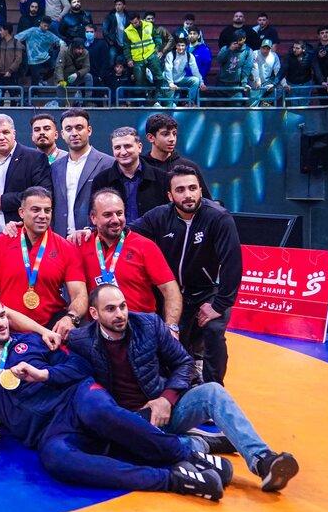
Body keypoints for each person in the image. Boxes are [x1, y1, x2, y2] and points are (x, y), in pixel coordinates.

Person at [0, 296, 229, 500]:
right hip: (48, 431)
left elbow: (80, 367)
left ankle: (187, 454)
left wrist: (44, 375)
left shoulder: (33, 341)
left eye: (3, 315)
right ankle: (174, 480)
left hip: (76, 398)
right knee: (56, 459)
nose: (1, 323)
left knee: (97, 411)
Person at [72, 284, 299, 493]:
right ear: (94, 313)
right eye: (110, 309)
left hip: (164, 410)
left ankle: (264, 461)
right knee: (126, 450)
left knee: (212, 391)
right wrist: (54, 335)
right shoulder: (80, 341)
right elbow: (59, 365)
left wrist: (166, 399)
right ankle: (202, 443)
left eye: (123, 306)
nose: (120, 314)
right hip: (128, 423)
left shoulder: (149, 325)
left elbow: (184, 362)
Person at [130, 165, 241, 385]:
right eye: (180, 190)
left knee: (213, 333)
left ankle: (214, 388)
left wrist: (218, 305)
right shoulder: (159, 216)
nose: (188, 195)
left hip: (208, 291)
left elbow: (232, 263)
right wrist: (90, 231)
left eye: (192, 188)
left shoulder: (218, 218)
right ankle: (183, 385)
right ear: (170, 195)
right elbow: (126, 231)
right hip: (174, 293)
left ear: (200, 190)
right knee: (173, 342)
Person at [0, 187, 87, 340]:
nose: (43, 215)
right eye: (35, 210)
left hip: (51, 328)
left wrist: (71, 317)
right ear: (21, 212)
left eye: (47, 210)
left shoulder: (66, 248)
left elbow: (79, 294)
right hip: (8, 329)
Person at [75, 190, 182, 327]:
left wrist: (172, 328)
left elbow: (171, 291)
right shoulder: (80, 245)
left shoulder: (145, 246)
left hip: (141, 328)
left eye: (119, 213)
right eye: (107, 215)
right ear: (93, 218)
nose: (115, 220)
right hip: (97, 330)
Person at [51, 108, 115, 237]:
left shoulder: (108, 163)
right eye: (68, 129)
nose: (74, 133)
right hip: (61, 238)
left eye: (79, 128)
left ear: (89, 130)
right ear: (62, 134)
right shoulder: (55, 167)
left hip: (93, 237)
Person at [0, 114, 52, 233]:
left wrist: (4, 201)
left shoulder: (35, 158)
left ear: (14, 134)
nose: (1, 137)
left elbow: (44, 194)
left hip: (23, 232)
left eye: (6, 132)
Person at [90, 126, 171, 222]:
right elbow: (94, 216)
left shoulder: (162, 178)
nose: (123, 152)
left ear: (139, 147)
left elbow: (169, 216)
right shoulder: (101, 181)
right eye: (117, 148)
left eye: (127, 146)